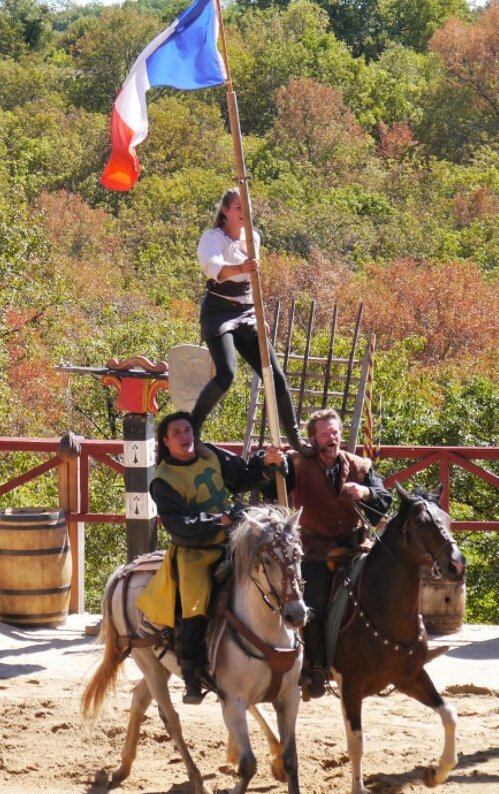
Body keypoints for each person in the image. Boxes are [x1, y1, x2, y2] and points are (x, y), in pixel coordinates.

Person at [136, 410, 286, 704]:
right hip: (195, 552)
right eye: (176, 433)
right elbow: (178, 525)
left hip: (233, 541)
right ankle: (192, 675)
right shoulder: (163, 480)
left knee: (278, 569)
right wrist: (218, 522)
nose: (184, 436)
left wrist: (266, 465)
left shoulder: (210, 456)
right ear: (166, 442)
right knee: (195, 606)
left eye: (187, 430)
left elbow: (242, 479)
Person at [192, 189, 313, 456]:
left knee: (274, 375)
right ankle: (193, 428)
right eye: (238, 207)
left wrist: (260, 315)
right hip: (219, 311)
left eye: (246, 206)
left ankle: (294, 438)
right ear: (225, 211)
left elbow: (254, 283)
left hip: (247, 311)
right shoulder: (213, 238)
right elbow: (215, 269)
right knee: (226, 374)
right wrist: (242, 268)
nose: (243, 212)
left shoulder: (254, 238)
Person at [285, 408, 391, 699]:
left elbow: (384, 498)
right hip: (315, 550)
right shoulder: (297, 464)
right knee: (315, 601)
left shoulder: (359, 465)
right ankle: (315, 668)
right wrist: (269, 463)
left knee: (387, 584)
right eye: (325, 434)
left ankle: (388, 655)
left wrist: (365, 493)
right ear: (313, 438)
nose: (332, 438)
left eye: (335, 432)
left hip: (355, 547)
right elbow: (270, 483)